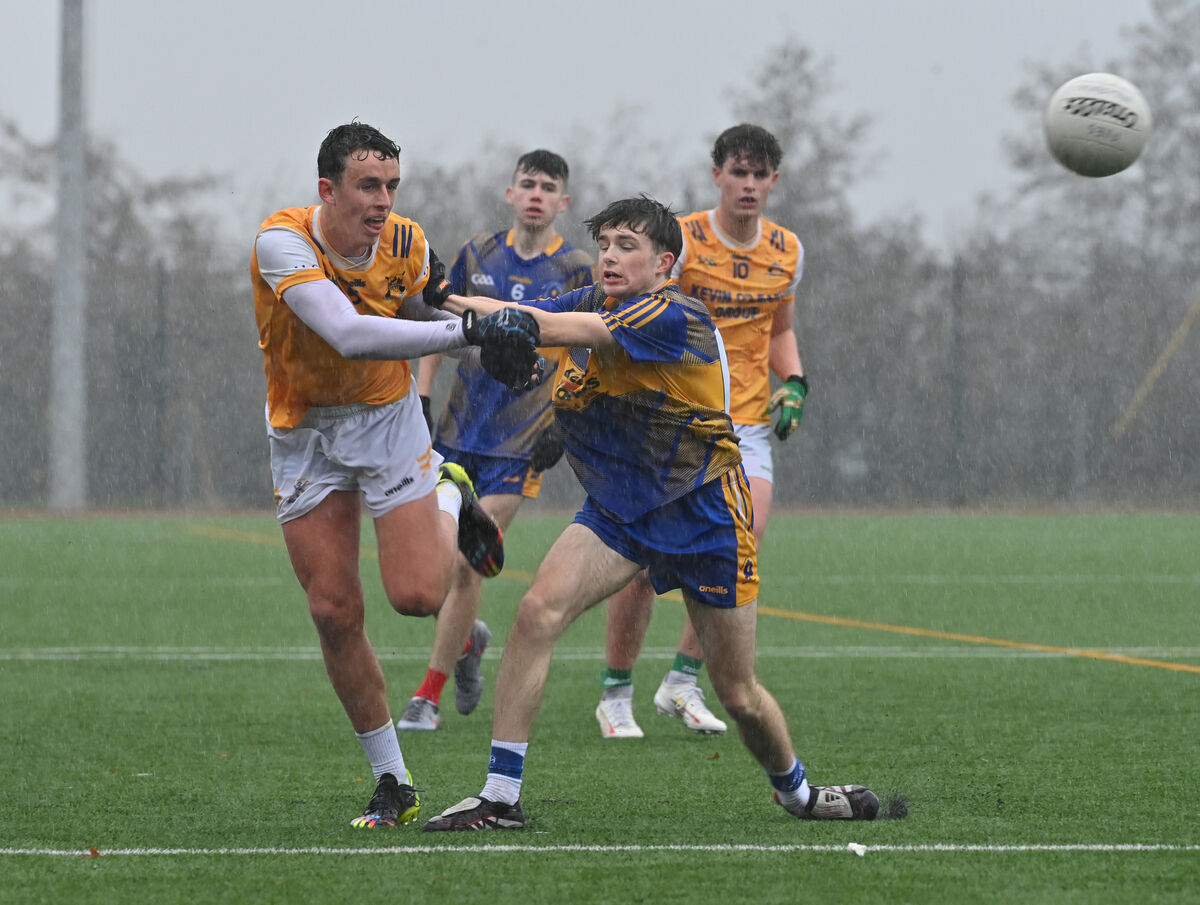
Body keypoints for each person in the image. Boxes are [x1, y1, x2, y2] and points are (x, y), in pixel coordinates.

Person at [421, 196, 877, 831]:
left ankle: (798, 793)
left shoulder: (675, 313)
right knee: (534, 614)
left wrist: (503, 325)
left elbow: (565, 332)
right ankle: (500, 797)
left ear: (665, 262)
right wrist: (441, 296)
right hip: (622, 511)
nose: (608, 255)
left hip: (705, 514)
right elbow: (524, 314)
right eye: (604, 243)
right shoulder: (593, 301)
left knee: (738, 695)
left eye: (626, 245)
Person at [249, 121, 541, 830]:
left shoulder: (408, 242)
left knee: (415, 596)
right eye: (368, 186)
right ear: (328, 189)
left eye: (392, 186)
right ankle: (393, 779)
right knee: (332, 612)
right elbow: (348, 331)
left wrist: (513, 330)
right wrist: (470, 335)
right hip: (305, 432)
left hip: (384, 422)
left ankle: (449, 488)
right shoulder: (282, 242)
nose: (383, 200)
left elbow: (429, 309)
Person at [595, 124, 807, 741]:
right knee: (640, 562)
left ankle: (682, 681)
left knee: (741, 544)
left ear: (774, 181)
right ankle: (615, 691)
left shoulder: (788, 250)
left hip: (745, 423)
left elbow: (781, 329)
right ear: (717, 176)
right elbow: (636, 308)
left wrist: (794, 382)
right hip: (674, 418)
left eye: (758, 174)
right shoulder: (680, 242)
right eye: (736, 172)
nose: (748, 184)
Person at [395, 149, 593, 731]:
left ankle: (426, 697)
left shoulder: (577, 269)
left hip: (520, 444)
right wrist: (423, 400)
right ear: (510, 194)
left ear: (563, 202)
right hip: (458, 434)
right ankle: (466, 644)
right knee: (432, 566)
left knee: (465, 565)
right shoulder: (477, 254)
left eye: (547, 186)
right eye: (526, 183)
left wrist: (567, 418)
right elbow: (443, 327)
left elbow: (586, 348)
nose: (536, 194)